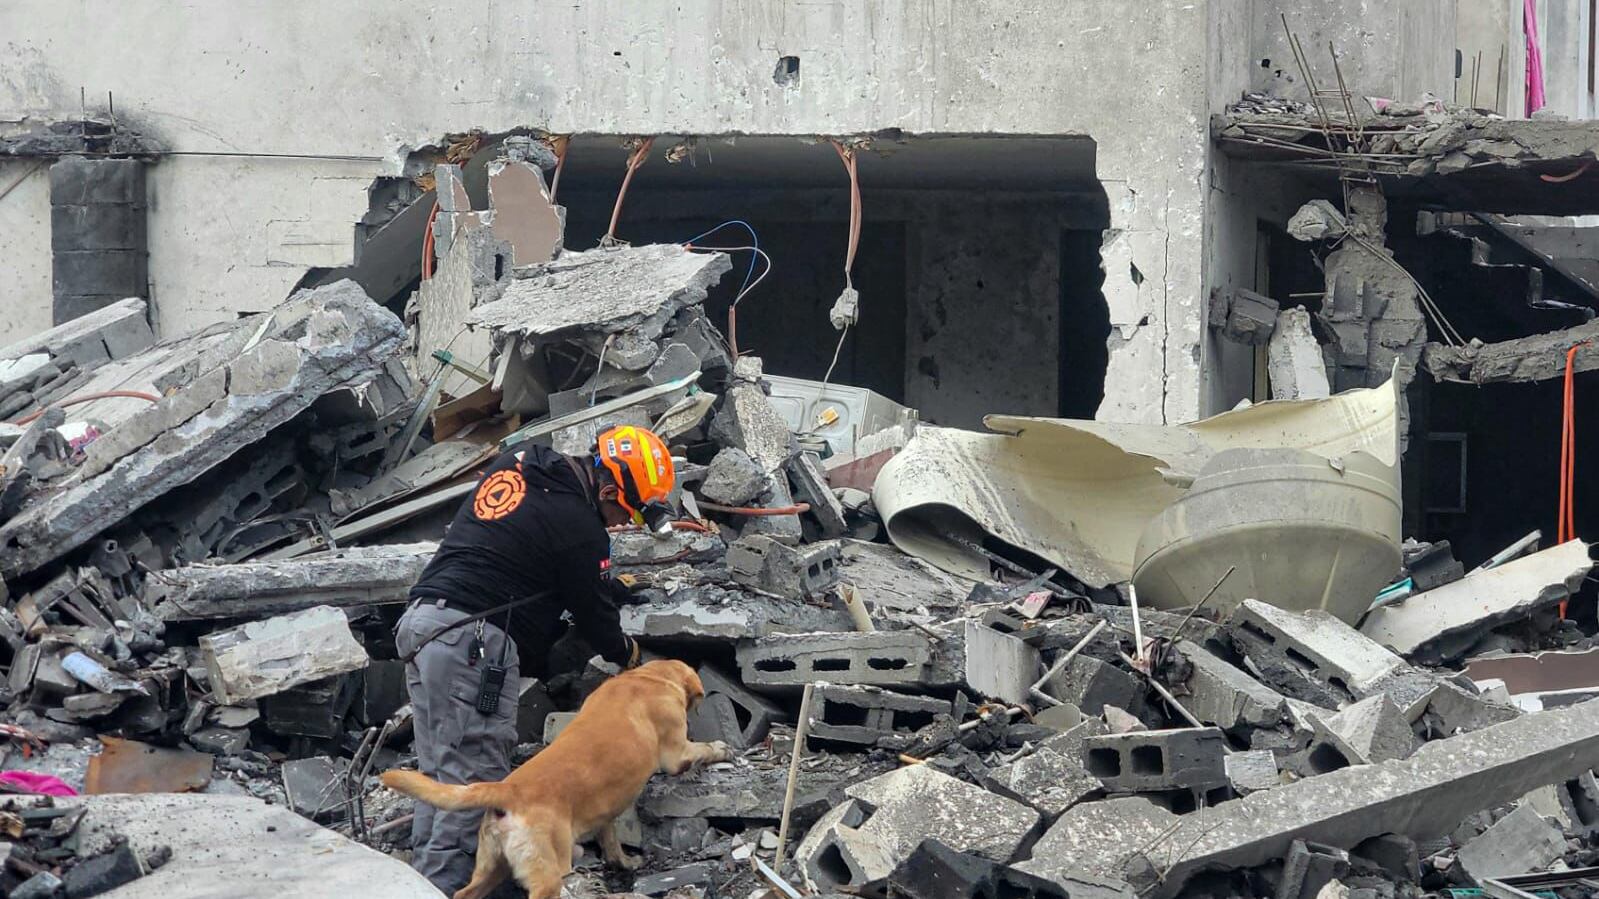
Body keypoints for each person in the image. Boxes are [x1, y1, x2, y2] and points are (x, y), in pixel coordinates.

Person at [393, 424, 676, 894]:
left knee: (442, 779)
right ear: (605, 489)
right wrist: (629, 655)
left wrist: (601, 582)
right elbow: (593, 616)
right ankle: (445, 889)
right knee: (476, 787)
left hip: (425, 626)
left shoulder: (521, 461)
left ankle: (422, 886)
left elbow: (532, 548)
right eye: (617, 513)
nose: (615, 524)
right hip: (473, 644)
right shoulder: (580, 526)